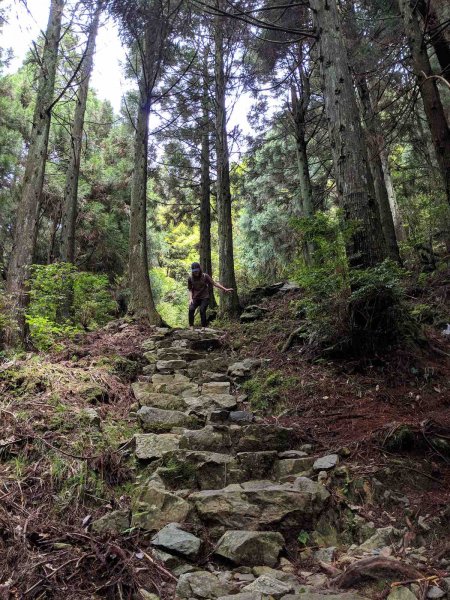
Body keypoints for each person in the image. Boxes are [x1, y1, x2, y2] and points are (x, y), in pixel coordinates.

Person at [188, 262, 233, 328]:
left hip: (204, 297)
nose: (196, 273)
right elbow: (190, 289)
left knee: (202, 310)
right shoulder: (190, 278)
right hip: (195, 298)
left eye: (197, 271)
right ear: (192, 271)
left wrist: (225, 289)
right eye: (194, 271)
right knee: (191, 309)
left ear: (199, 269)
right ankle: (191, 326)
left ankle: (203, 327)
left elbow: (214, 283)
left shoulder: (205, 276)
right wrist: (190, 299)